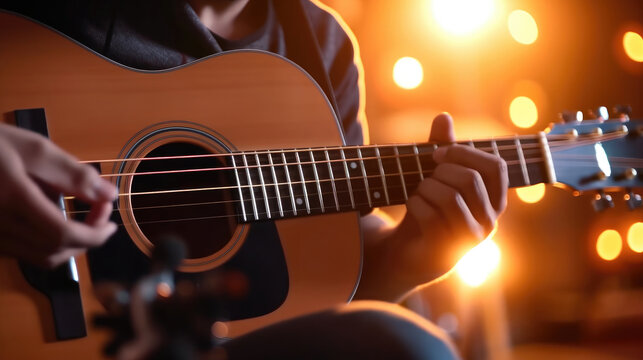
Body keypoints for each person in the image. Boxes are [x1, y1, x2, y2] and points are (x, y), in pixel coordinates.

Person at [0, 1, 508, 358]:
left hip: (204, 343)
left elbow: (320, 279)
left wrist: (405, 259)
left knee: (407, 342)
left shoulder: (321, 46)